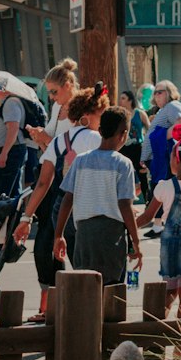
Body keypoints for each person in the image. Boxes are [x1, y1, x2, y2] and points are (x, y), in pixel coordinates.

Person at [14, 83, 105, 321]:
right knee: (92, 273)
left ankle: (65, 314)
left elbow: (42, 184)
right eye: (100, 116)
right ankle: (88, 321)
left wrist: (26, 218)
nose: (101, 121)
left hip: (63, 214)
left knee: (74, 268)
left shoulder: (58, 142)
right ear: (87, 117)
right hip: (90, 213)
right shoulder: (97, 140)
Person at [53, 106, 143, 287]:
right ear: (124, 134)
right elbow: (125, 205)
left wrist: (59, 235)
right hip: (112, 234)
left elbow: (67, 199)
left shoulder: (81, 160)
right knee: (111, 289)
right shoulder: (123, 164)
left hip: (84, 234)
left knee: (86, 287)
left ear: (100, 131)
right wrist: (136, 241)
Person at [136, 121, 181, 321]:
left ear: (176, 159)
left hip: (170, 247)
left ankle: (157, 334)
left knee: (169, 293)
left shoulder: (165, 187)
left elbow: (148, 217)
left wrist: (129, 226)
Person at [141, 81, 181, 233]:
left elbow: (180, 124)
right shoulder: (165, 109)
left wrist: (157, 136)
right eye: (155, 93)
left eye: (160, 92)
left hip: (163, 157)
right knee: (159, 191)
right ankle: (158, 225)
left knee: (161, 191)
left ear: (169, 92)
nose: (156, 95)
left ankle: (163, 225)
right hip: (158, 158)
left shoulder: (173, 106)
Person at [0, 81, 29, 197]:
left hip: (8, 152)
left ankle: (0, 215)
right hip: (4, 151)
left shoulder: (10, 103)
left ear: (0, 89)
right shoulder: (2, 104)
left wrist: (4, 154)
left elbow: (13, 128)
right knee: (9, 193)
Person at [26, 59, 78, 156]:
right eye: (49, 92)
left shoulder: (82, 110)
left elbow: (77, 154)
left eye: (54, 91)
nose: (51, 97)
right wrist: (39, 140)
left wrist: (46, 139)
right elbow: (50, 150)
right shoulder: (57, 107)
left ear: (67, 86)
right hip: (56, 167)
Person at [121, 90, 150, 202]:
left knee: (142, 175)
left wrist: (148, 145)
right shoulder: (121, 114)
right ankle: (125, 203)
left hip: (137, 147)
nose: (120, 100)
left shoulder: (139, 113)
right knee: (123, 175)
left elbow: (149, 128)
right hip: (124, 148)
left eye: (123, 98)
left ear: (130, 100)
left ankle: (147, 201)